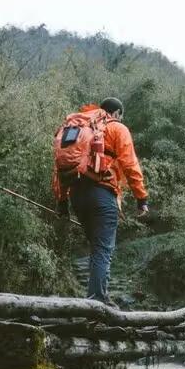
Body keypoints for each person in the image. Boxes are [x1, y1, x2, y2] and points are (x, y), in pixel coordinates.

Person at [52, 97, 148, 306]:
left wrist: (62, 203)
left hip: (76, 196)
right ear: (116, 113)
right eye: (121, 116)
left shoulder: (75, 129)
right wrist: (142, 198)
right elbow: (130, 164)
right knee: (102, 249)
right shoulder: (116, 128)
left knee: (97, 247)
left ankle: (97, 296)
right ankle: (97, 301)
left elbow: (60, 167)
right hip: (103, 194)